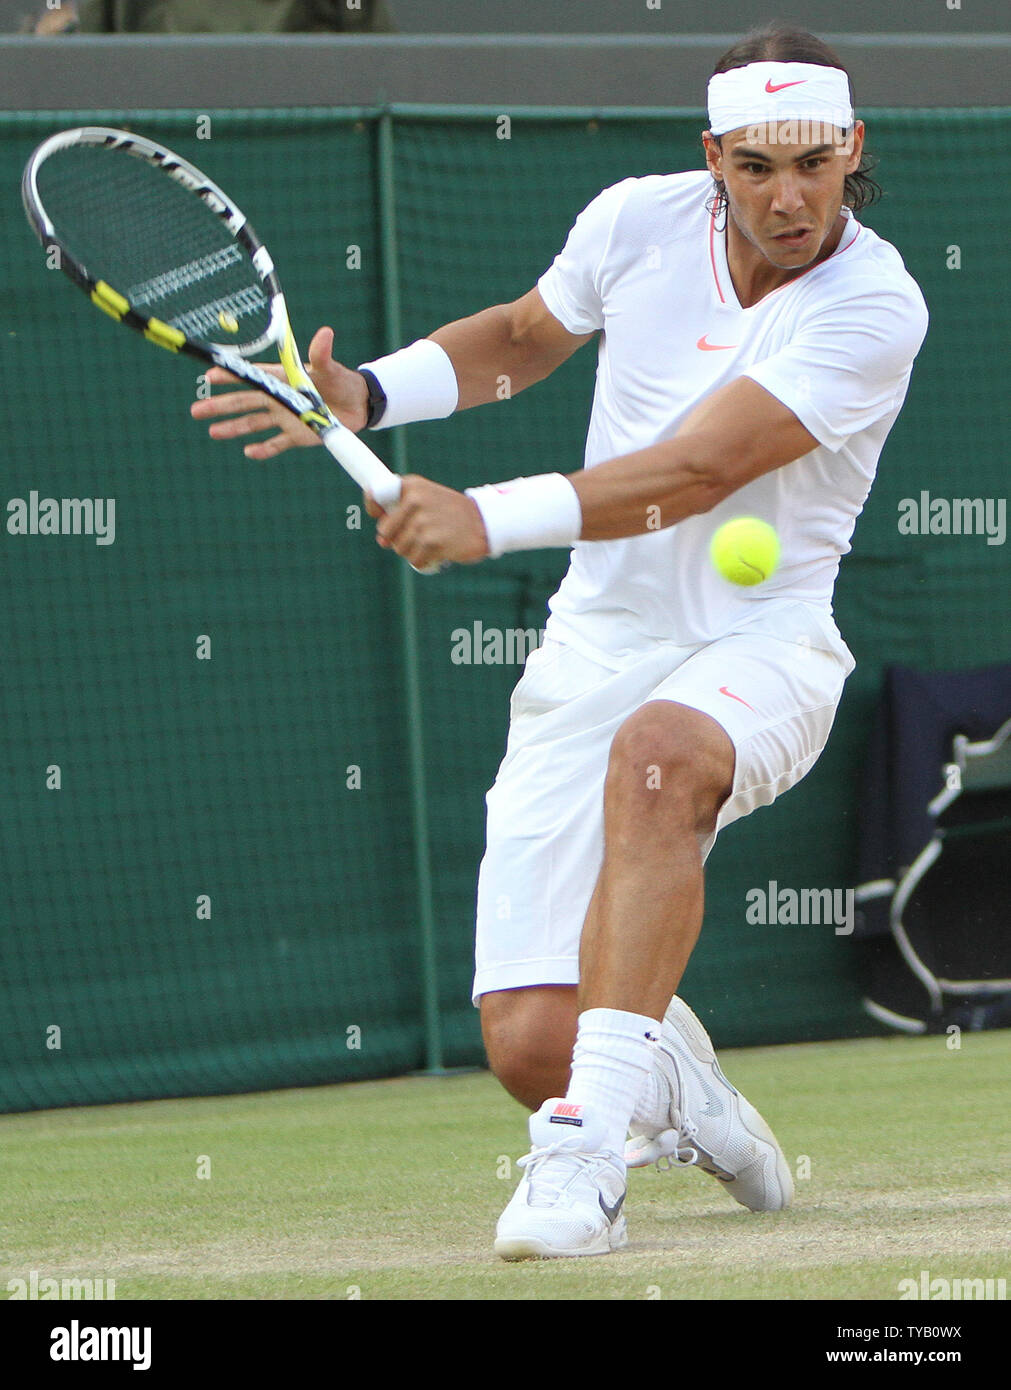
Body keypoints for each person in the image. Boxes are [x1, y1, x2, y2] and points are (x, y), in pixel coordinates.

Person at [192, 24, 928, 1260]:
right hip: (597, 638)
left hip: (767, 644)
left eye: (813, 163)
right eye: (756, 167)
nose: (789, 195)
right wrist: (368, 392)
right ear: (714, 159)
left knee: (659, 755)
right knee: (533, 1039)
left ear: (853, 151)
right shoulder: (636, 221)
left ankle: (584, 1162)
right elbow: (527, 339)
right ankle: (678, 1095)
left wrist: (486, 519)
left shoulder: (876, 304)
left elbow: (697, 471)